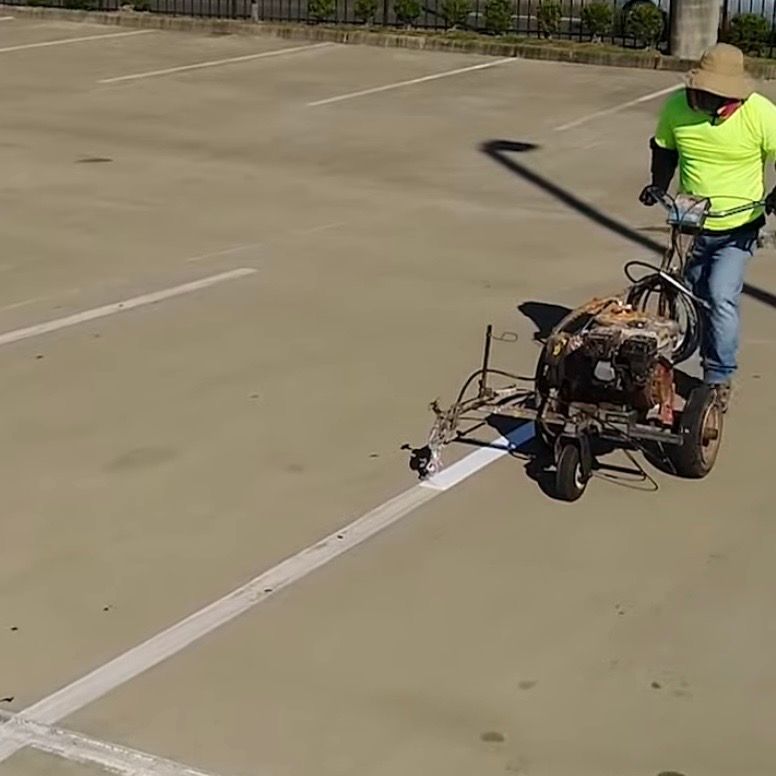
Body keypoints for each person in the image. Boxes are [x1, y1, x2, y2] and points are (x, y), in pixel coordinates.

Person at [639, 42, 776, 411]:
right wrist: (657, 186)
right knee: (686, 291)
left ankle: (718, 377)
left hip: (738, 227)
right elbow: (664, 149)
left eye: (705, 94)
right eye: (695, 89)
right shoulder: (676, 107)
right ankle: (672, 355)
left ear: (728, 96)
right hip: (690, 224)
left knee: (720, 295)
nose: (695, 97)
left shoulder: (761, 114)